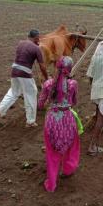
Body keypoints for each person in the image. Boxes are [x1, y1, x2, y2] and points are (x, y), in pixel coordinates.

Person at [38, 56, 81, 192]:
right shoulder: (73, 84)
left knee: (52, 152)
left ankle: (51, 183)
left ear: (56, 67)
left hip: (51, 120)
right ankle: (68, 170)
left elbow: (40, 104)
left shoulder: (48, 84)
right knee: (71, 146)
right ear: (69, 69)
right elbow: (74, 102)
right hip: (68, 119)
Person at [0, 29, 49, 127]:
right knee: (31, 93)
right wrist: (47, 78)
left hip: (14, 71)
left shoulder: (21, 43)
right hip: (25, 73)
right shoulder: (36, 48)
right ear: (36, 37)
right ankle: (30, 121)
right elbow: (42, 66)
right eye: (38, 37)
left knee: (13, 92)